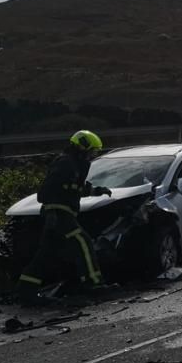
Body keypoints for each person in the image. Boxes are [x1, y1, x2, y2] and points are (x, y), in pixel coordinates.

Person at [16, 130, 113, 306]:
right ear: (82, 147)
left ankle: (26, 291)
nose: (93, 155)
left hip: (60, 213)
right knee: (82, 241)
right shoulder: (65, 164)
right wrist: (52, 212)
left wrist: (97, 191)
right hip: (59, 213)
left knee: (46, 255)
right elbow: (45, 192)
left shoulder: (74, 165)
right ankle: (93, 283)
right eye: (92, 151)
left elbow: (75, 188)